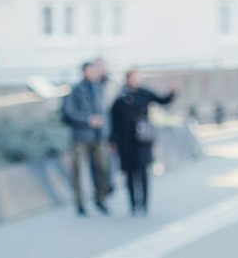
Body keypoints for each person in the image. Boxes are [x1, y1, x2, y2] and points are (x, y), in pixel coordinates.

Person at [109, 68, 176, 216]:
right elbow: (113, 120)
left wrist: (172, 93)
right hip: (125, 140)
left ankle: (144, 204)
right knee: (129, 174)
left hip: (142, 139)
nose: (136, 80)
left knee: (143, 173)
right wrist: (113, 139)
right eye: (133, 77)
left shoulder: (144, 93)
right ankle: (133, 204)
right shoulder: (120, 97)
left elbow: (161, 100)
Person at [62, 60, 112, 216]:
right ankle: (80, 203)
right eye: (92, 70)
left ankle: (100, 199)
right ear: (84, 72)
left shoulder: (99, 88)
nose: (95, 73)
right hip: (81, 137)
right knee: (79, 171)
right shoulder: (76, 90)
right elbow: (68, 112)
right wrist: (87, 119)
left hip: (99, 136)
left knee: (102, 169)